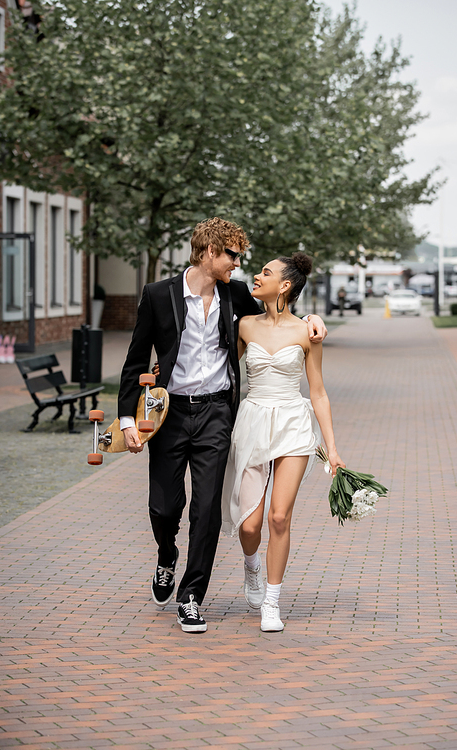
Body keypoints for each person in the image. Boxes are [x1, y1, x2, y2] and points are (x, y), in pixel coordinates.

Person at [117, 218, 327, 633]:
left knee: (207, 507)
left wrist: (313, 317)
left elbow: (279, 316)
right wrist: (127, 419)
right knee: (164, 506)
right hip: (169, 413)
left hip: (217, 413)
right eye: (232, 255)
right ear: (209, 252)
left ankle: (191, 596)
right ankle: (166, 555)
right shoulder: (158, 295)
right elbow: (135, 358)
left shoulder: (234, 295)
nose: (238, 264)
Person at [221, 252, 345, 632]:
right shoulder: (244, 326)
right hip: (253, 423)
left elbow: (319, 392)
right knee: (249, 525)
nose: (256, 276)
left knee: (279, 517)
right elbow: (218, 369)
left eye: (266, 272)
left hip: (293, 424)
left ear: (286, 285)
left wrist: (333, 449)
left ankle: (272, 602)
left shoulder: (307, 332)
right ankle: (252, 566)